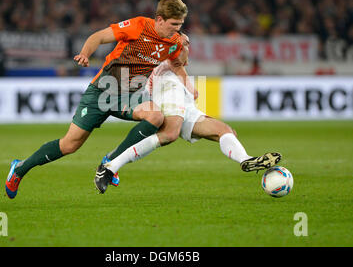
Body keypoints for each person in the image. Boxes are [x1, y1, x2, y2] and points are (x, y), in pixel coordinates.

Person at [5, 0, 189, 199]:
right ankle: (19, 169)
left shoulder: (174, 41)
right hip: (102, 90)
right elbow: (98, 37)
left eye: (180, 25)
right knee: (69, 145)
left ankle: (111, 162)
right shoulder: (138, 26)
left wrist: (188, 84)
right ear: (160, 19)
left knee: (155, 116)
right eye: (174, 24)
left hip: (129, 95)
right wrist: (85, 53)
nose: (177, 29)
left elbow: (177, 63)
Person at [95, 33, 282, 193]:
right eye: (184, 42)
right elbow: (174, 58)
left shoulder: (173, 56)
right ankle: (111, 166)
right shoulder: (164, 51)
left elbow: (178, 63)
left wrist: (188, 86)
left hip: (182, 100)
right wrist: (188, 78)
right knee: (169, 134)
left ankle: (246, 159)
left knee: (224, 130)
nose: (185, 46)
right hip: (167, 88)